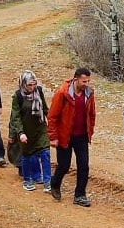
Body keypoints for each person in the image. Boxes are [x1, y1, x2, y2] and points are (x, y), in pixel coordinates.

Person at [48, 68, 96, 205]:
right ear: (76, 80)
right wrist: (53, 137)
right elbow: (52, 116)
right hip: (65, 135)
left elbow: (92, 114)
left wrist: (90, 131)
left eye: (88, 81)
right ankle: (55, 184)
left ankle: (80, 195)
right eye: (83, 81)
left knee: (84, 166)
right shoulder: (62, 94)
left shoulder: (89, 94)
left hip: (82, 135)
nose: (86, 84)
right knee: (64, 165)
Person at [7, 71, 51, 192]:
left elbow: (45, 108)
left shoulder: (39, 91)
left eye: (34, 84)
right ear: (23, 84)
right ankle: (27, 179)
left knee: (45, 153)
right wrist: (20, 133)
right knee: (27, 155)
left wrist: (51, 121)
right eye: (29, 85)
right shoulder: (18, 96)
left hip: (40, 128)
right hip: (25, 130)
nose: (32, 87)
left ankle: (48, 182)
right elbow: (15, 117)